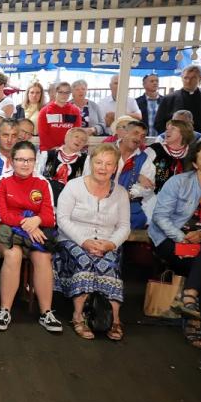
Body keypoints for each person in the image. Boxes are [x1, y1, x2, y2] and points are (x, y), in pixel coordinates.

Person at [54, 144, 131, 340]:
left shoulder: (121, 193)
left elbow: (124, 226)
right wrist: (84, 241)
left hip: (106, 241)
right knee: (84, 261)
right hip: (73, 239)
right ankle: (78, 317)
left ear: (115, 167)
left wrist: (111, 244)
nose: (103, 168)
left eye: (109, 164)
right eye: (99, 162)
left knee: (110, 264)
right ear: (91, 163)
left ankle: (114, 319)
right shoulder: (74, 186)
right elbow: (62, 219)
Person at [150, 140, 201, 350]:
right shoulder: (179, 182)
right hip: (170, 238)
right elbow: (160, 217)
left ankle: (189, 300)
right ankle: (192, 318)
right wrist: (183, 238)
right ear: (196, 164)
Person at [0, 141, 61, 333]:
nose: (25, 164)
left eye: (30, 160)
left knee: (43, 256)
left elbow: (50, 217)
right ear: (12, 161)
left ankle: (46, 313)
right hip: (6, 234)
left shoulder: (42, 183)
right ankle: (5, 311)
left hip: (35, 234)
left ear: (35, 161)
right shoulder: (2, 181)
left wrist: (37, 219)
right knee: (13, 255)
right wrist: (27, 224)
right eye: (21, 159)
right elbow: (1, 216)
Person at [105, 120, 154, 229]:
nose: (138, 138)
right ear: (124, 133)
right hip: (101, 198)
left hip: (128, 203)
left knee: (139, 219)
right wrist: (137, 175)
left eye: (143, 136)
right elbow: (89, 175)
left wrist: (130, 194)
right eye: (135, 133)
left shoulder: (144, 159)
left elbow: (148, 186)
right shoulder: (105, 150)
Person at [155, 65, 201, 136]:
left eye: (193, 78)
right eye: (186, 78)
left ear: (200, 79)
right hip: (177, 140)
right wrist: (172, 134)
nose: (188, 81)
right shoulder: (168, 99)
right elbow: (159, 123)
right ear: (181, 78)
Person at [146, 116, 195, 194]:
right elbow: (138, 169)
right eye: (167, 129)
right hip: (155, 196)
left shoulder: (194, 153)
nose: (167, 131)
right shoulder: (154, 149)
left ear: (184, 133)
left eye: (173, 128)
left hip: (186, 197)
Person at [36, 127, 88, 201]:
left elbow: (87, 184)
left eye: (83, 140)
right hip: (46, 197)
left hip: (72, 200)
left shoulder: (86, 160)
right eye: (76, 136)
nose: (79, 140)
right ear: (66, 137)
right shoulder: (46, 155)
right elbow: (36, 176)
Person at [37, 82, 82, 151]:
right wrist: (54, 148)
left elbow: (76, 133)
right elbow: (43, 134)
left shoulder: (76, 111)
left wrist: (66, 148)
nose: (64, 95)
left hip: (68, 150)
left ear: (70, 94)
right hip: (48, 150)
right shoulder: (44, 111)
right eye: (60, 92)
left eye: (67, 92)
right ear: (55, 93)